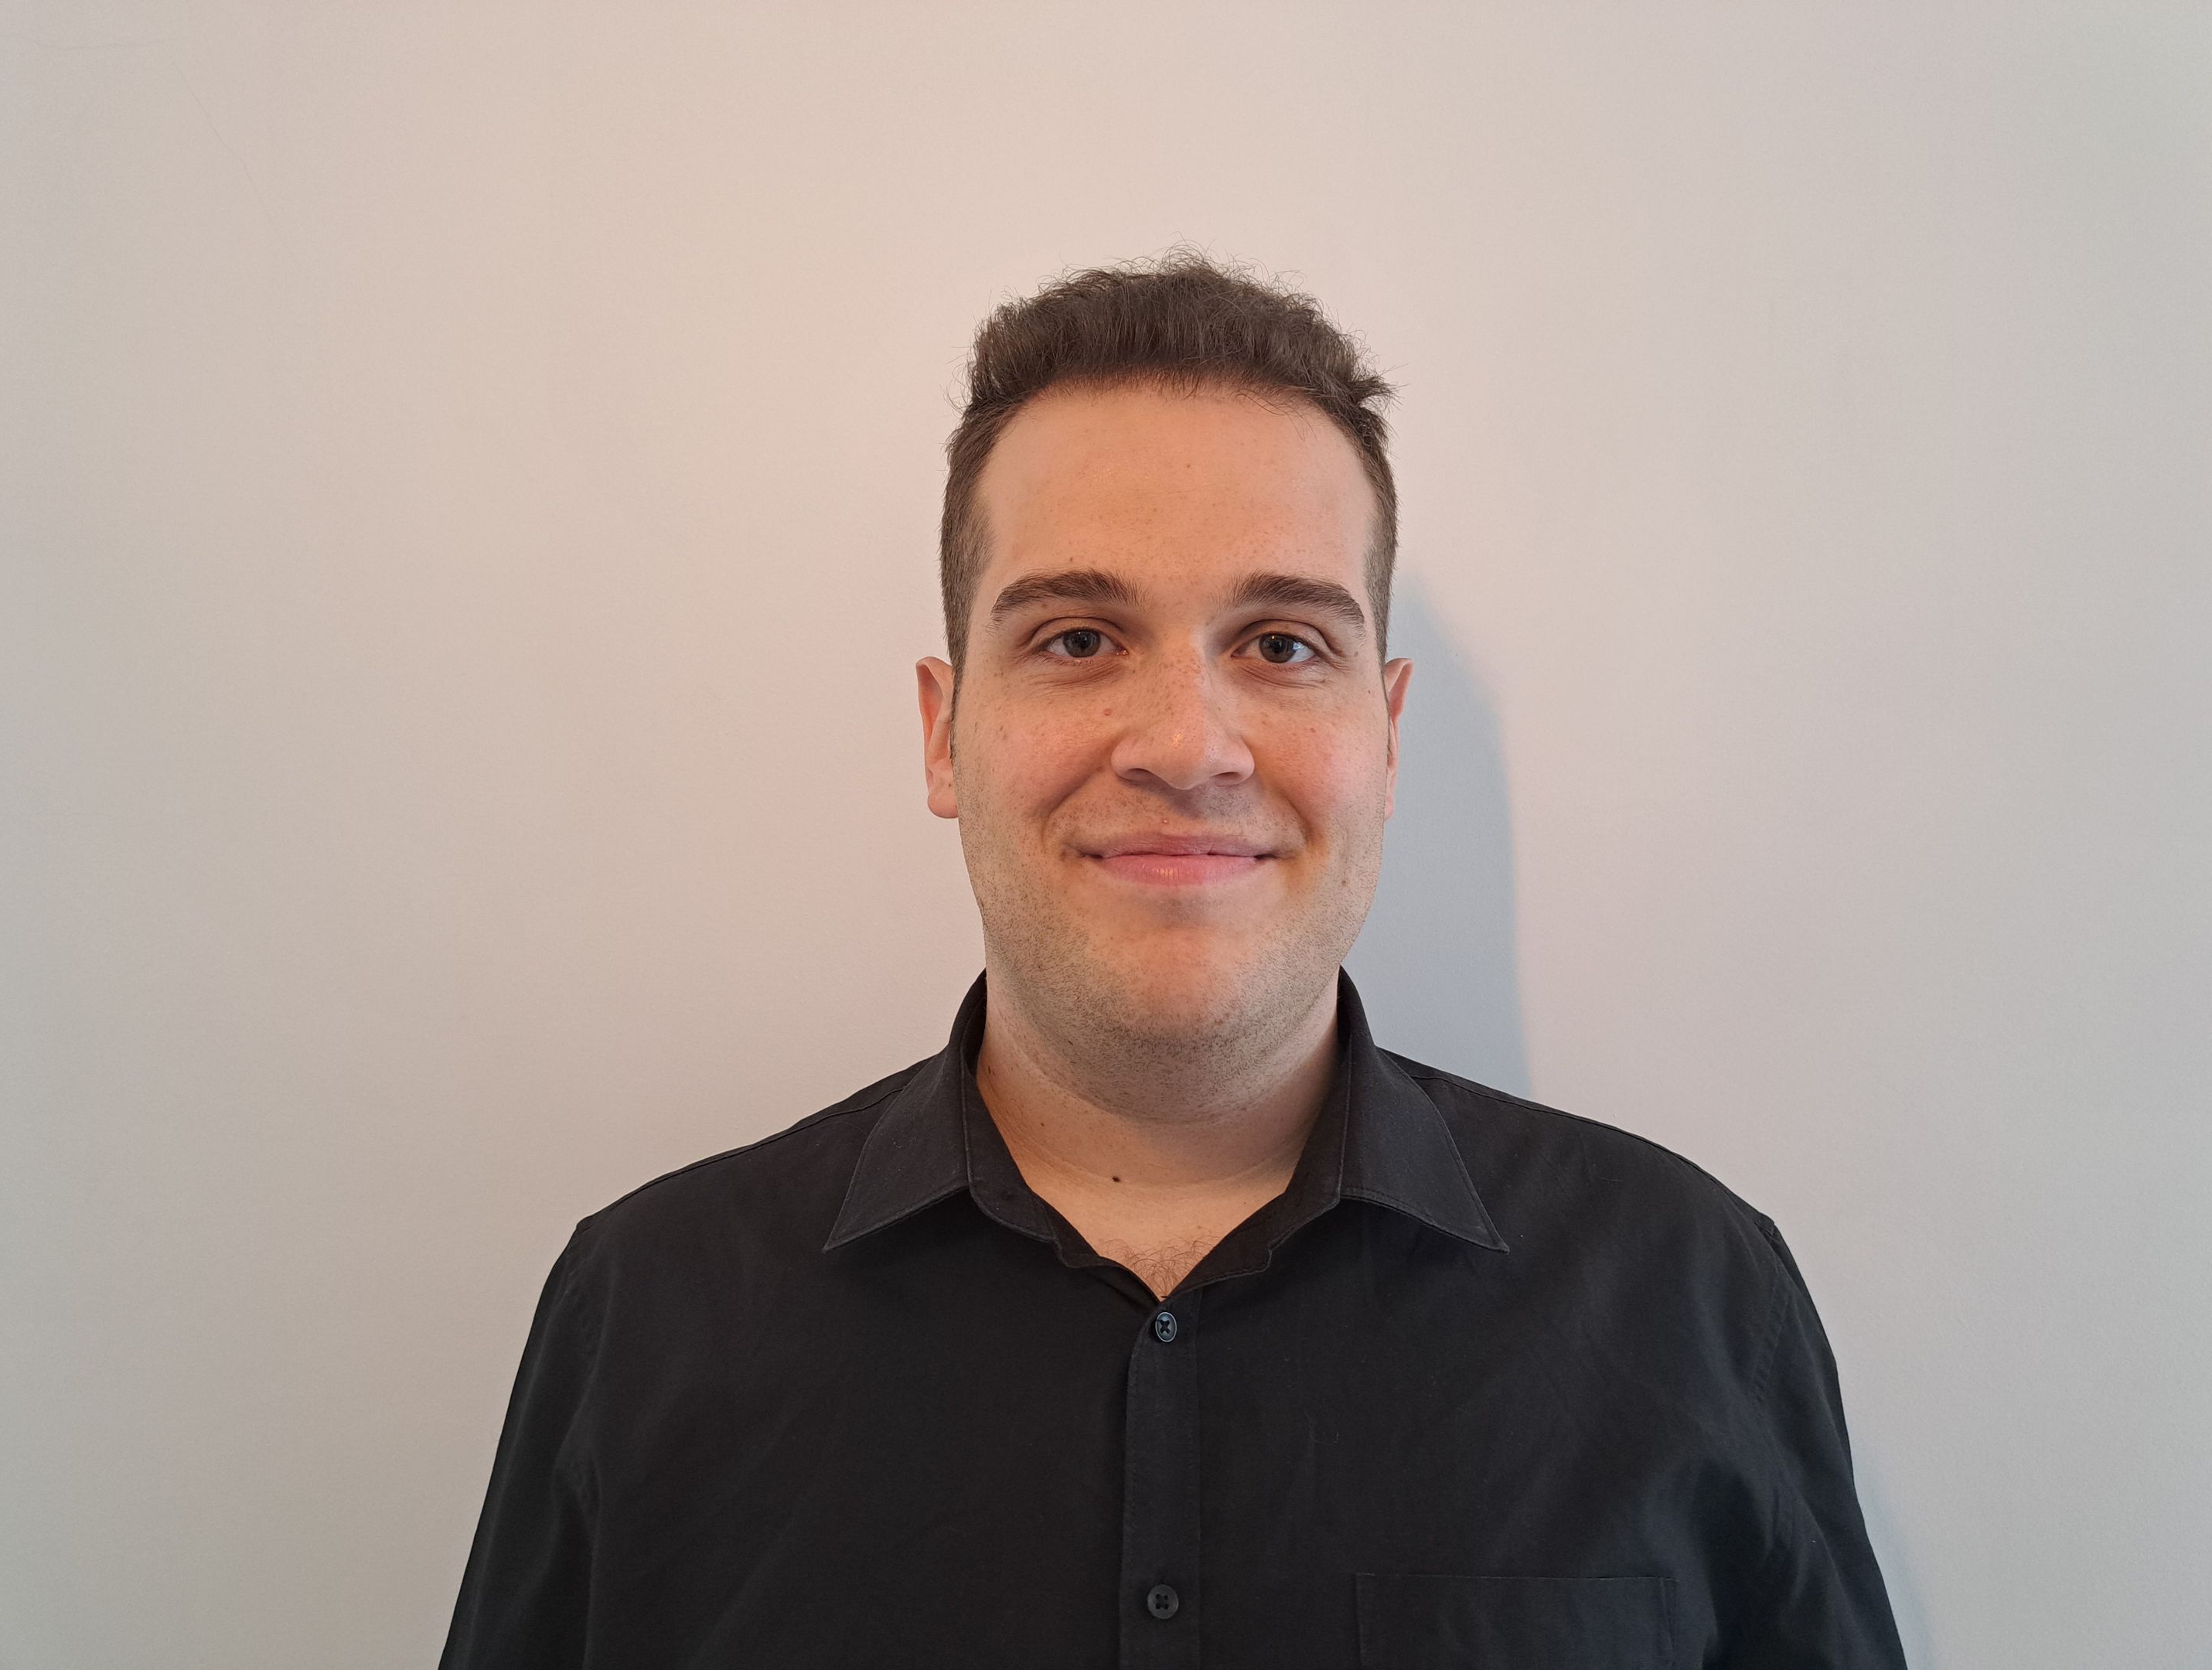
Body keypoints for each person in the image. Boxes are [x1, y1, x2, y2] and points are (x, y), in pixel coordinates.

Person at [440, 255, 1906, 1668]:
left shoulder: (1686, 1296)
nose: (1189, 747)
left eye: (1283, 645)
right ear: (945, 734)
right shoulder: (650, 1314)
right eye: (1079, 639)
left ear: (1388, 734)